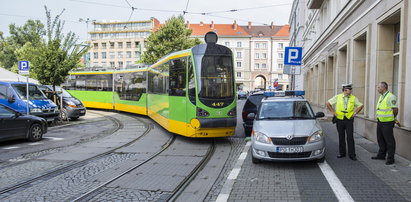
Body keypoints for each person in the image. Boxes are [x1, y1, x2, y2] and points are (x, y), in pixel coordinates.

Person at [326, 84, 364, 161]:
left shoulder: (353, 98)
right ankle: (342, 153)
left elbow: (361, 105)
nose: (351, 91)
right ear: (345, 90)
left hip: (349, 120)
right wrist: (333, 112)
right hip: (339, 119)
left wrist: (355, 113)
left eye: (351, 89)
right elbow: (328, 103)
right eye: (349, 89)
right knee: (341, 136)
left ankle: (352, 155)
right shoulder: (338, 97)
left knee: (350, 137)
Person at [372, 82, 398, 165]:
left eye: (379, 87)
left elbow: (395, 109)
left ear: (384, 87)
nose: (377, 89)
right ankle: (381, 155)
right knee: (380, 139)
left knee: (389, 141)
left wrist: (392, 118)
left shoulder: (391, 96)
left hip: (387, 122)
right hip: (380, 121)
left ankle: (391, 158)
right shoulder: (381, 96)